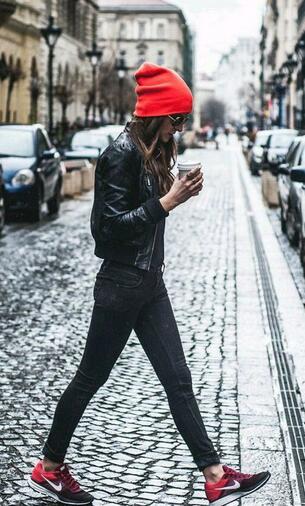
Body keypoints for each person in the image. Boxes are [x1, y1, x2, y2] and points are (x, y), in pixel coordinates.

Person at [28, 62, 270, 506]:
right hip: (121, 284)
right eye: (175, 119)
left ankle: (215, 476)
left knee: (178, 380)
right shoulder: (118, 154)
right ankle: (49, 467)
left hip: (149, 284)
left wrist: (177, 191)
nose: (179, 128)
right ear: (157, 114)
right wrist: (166, 202)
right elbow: (106, 230)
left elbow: (146, 212)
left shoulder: (151, 152)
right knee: (89, 378)